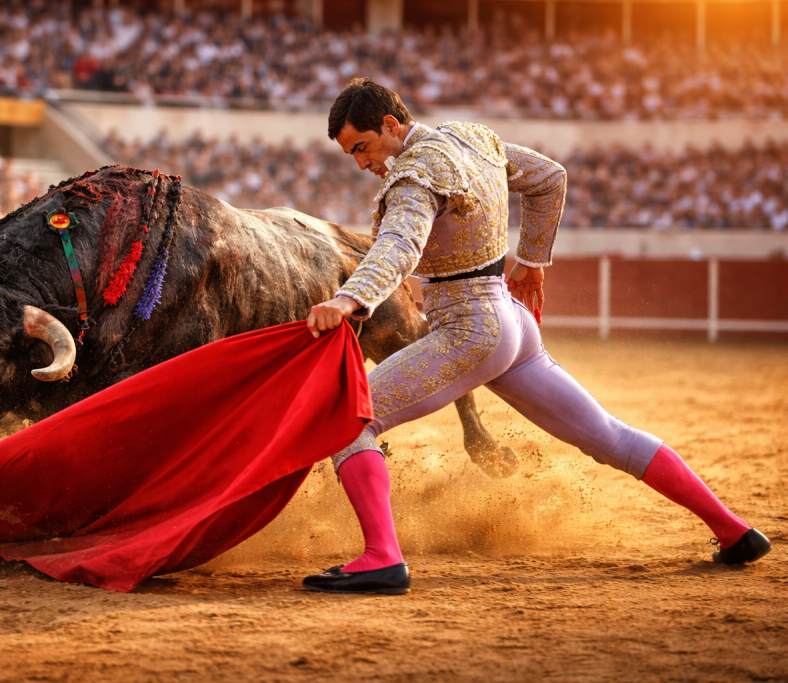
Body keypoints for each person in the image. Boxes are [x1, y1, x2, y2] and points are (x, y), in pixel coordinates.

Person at [302, 77, 771, 595]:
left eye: (362, 148)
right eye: (352, 154)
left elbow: (399, 245)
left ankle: (382, 558)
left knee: (348, 417)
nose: (361, 163)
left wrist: (349, 299)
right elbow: (550, 176)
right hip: (512, 327)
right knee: (609, 435)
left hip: (469, 330)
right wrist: (531, 261)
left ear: (391, 124)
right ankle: (734, 530)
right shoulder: (470, 137)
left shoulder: (414, 175)